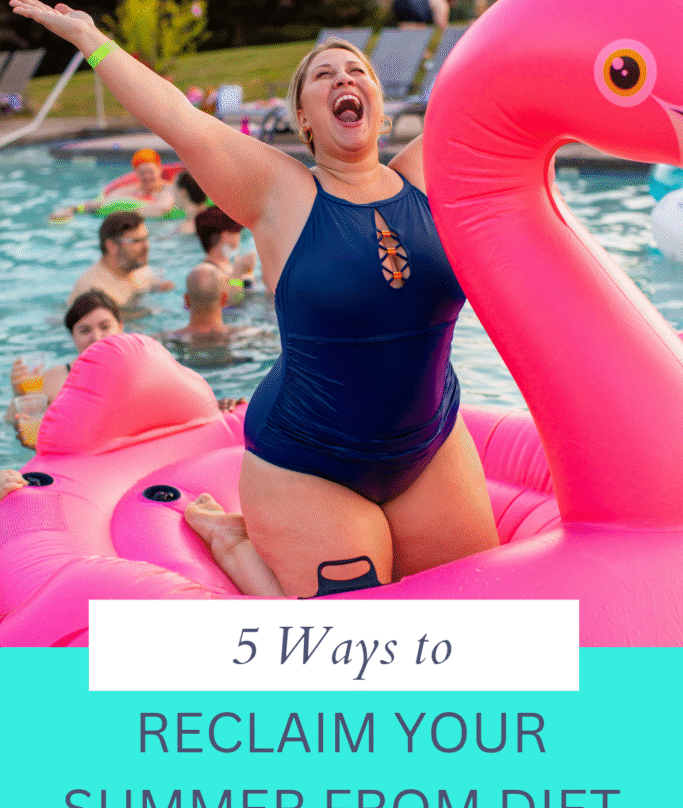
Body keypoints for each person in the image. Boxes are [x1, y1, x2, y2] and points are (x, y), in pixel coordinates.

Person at [9, 3, 499, 599]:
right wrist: (91, 40)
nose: (343, 78)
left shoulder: (430, 171)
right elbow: (175, 115)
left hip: (430, 443)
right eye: (323, 75)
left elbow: (498, 80)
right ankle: (233, 541)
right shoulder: (279, 192)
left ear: (379, 101)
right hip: (308, 461)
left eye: (356, 71)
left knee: (480, 611)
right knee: (336, 637)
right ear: (305, 119)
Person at [4, 289, 123, 432]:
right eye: (85, 330)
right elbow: (11, 424)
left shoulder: (140, 370)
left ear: (120, 327)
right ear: (73, 336)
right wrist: (19, 394)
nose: (96, 337)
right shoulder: (55, 379)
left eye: (105, 327)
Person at [66, 210, 174, 308]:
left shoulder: (137, 266)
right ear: (112, 245)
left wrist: (157, 287)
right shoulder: (94, 291)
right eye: (136, 241)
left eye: (146, 238)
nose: (146, 246)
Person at [52, 148, 178, 221]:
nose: (147, 177)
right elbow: (103, 204)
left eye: (151, 171)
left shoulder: (169, 189)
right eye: (142, 173)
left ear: (160, 169)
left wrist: (122, 210)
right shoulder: (130, 191)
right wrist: (71, 209)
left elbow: (163, 208)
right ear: (136, 174)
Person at [195, 206, 257, 287]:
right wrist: (238, 273)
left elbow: (238, 284)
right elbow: (225, 296)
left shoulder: (224, 269)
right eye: (237, 232)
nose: (239, 236)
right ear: (226, 236)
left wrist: (248, 271)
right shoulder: (206, 274)